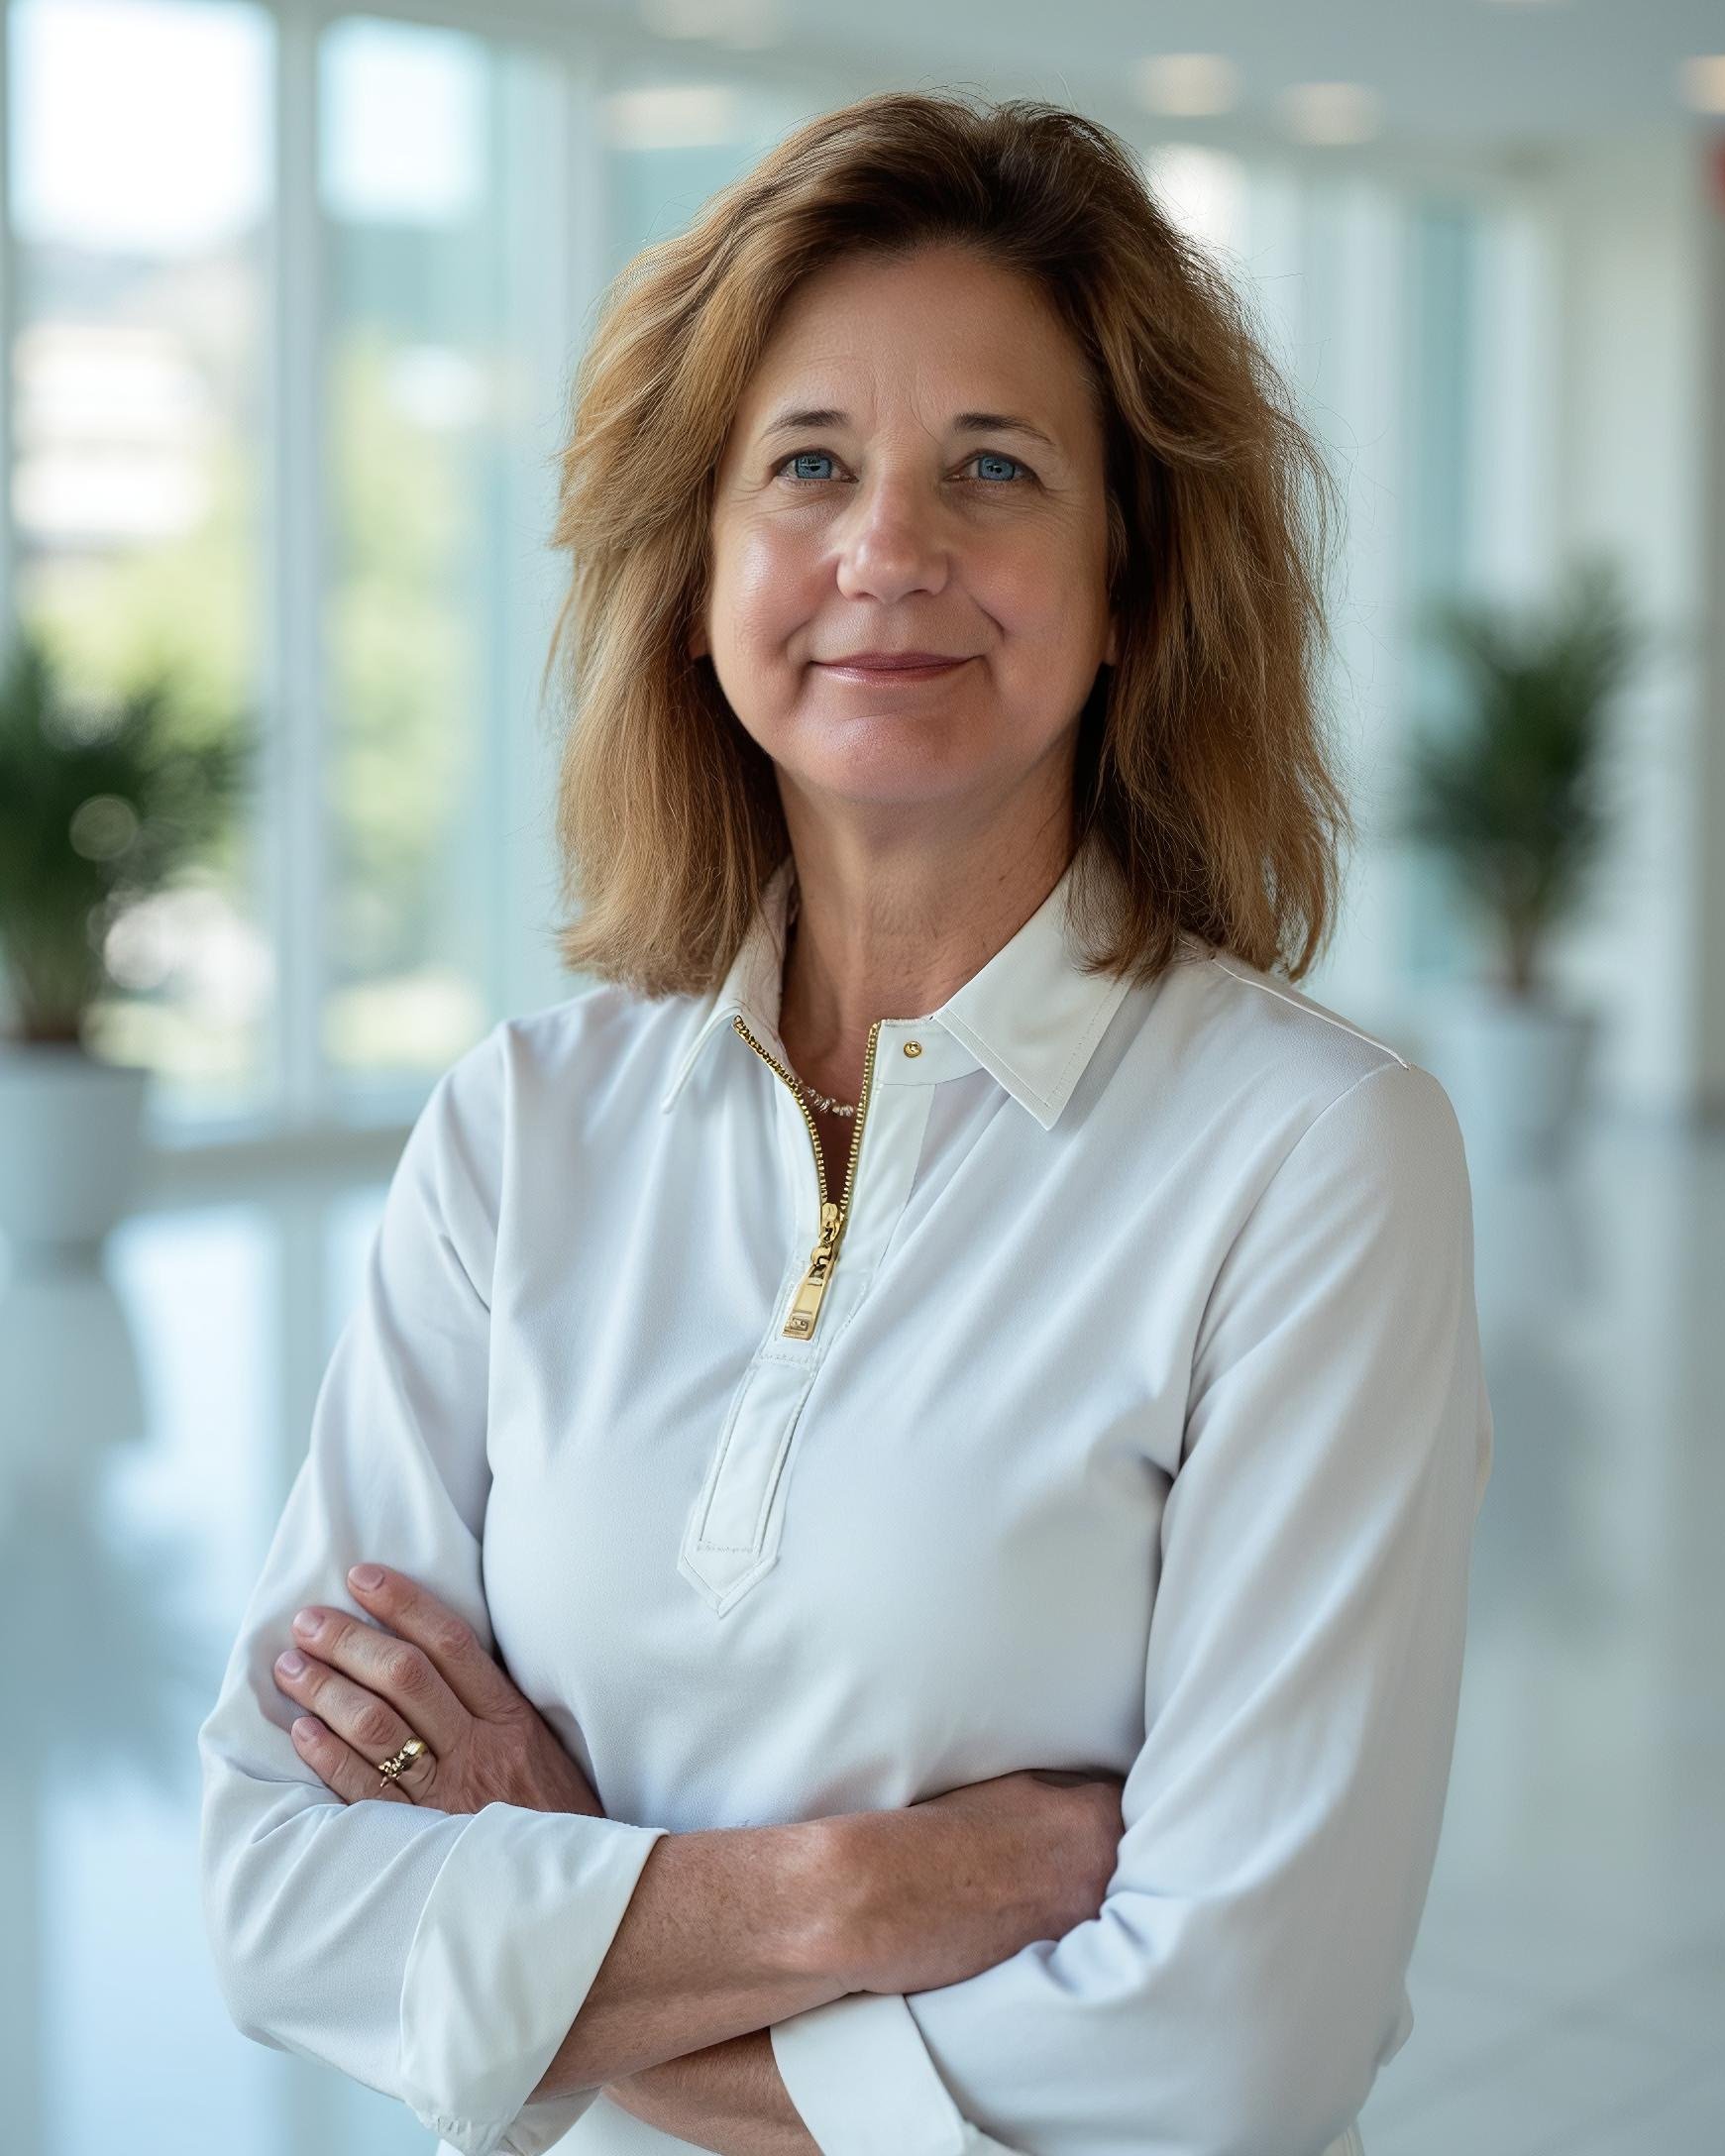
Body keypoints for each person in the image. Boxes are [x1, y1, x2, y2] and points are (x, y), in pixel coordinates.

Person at [197, 89, 1493, 2156]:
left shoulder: (1311, 1154)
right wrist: (862, 1888)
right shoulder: (520, 1126)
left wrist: (557, 1925)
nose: (888, 551)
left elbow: (1237, 2040)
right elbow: (272, 1891)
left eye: (993, 469)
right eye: (807, 465)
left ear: (1132, 583)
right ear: (694, 578)